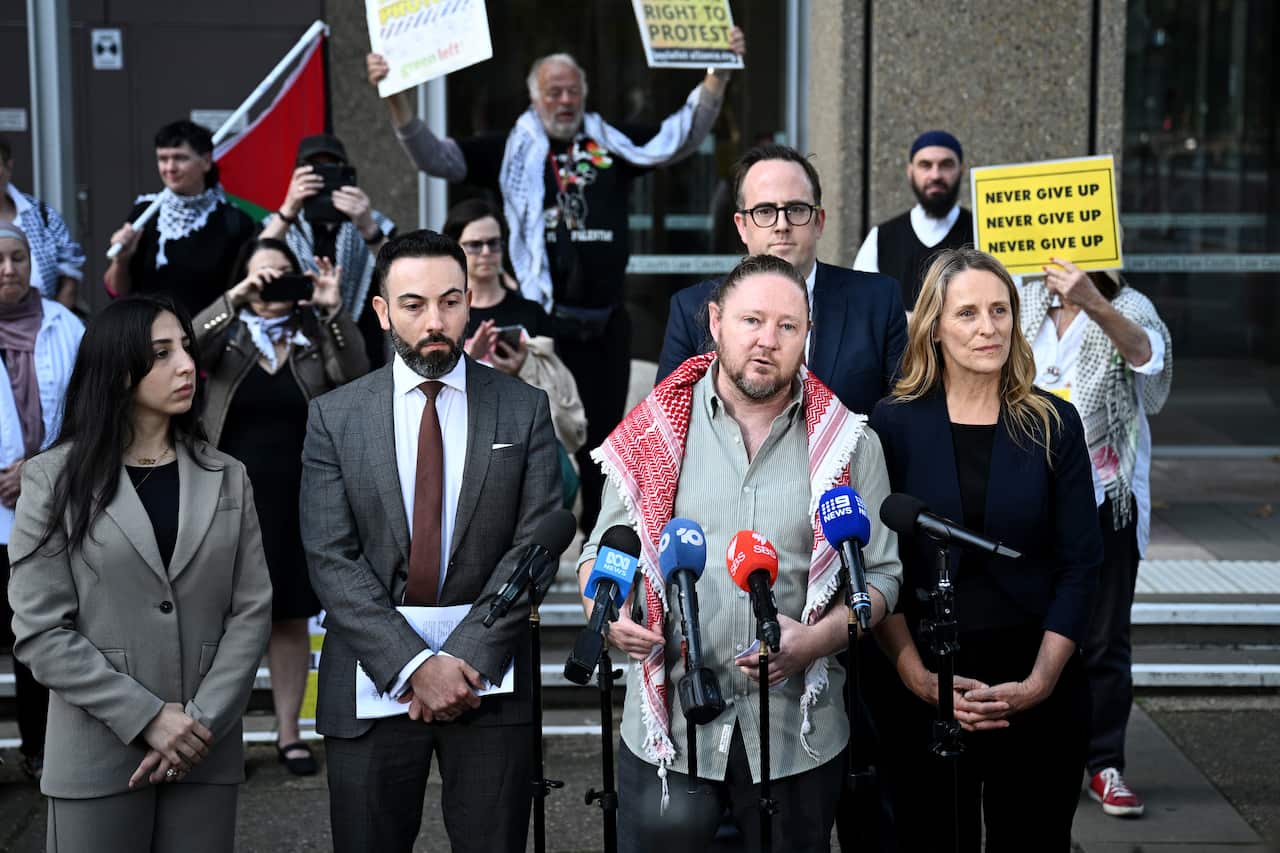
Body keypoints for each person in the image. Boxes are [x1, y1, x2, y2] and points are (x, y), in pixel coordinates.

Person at [582, 254, 902, 850]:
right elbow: (603, 550)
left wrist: (817, 641)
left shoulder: (851, 446)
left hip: (795, 736)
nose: (767, 341)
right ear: (715, 321)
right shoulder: (651, 432)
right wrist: (610, 615)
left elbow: (881, 579)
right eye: (751, 320)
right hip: (670, 733)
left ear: (808, 335)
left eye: (788, 326)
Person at [367, 32, 744, 533]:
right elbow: (436, 159)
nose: (564, 102)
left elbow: (677, 138)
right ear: (534, 97)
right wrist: (395, 97)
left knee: (606, 447)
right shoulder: (510, 148)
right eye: (553, 93)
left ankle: (601, 560)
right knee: (537, 444)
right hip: (543, 326)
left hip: (605, 324)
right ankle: (533, 553)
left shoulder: (611, 143)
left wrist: (716, 74)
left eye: (572, 92)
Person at [300, 229, 561, 852]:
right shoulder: (334, 417)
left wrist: (464, 656)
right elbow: (329, 557)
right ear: (383, 310)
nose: (434, 321)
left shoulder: (522, 408)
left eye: (450, 301)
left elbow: (538, 541)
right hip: (371, 675)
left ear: (470, 302)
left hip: (489, 678)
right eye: (413, 305)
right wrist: (416, 667)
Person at [6, 294, 272, 852]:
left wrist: (198, 723)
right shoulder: (53, 480)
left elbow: (251, 611)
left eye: (185, 349)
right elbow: (40, 631)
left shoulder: (228, 475)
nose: (185, 365)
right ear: (116, 371)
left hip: (206, 747)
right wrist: (148, 717)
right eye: (161, 353)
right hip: (96, 754)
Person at [868, 248, 1102, 852]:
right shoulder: (890, 425)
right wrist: (915, 675)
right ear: (935, 328)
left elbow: (1082, 564)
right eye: (967, 312)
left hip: (1037, 676)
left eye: (1000, 310)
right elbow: (878, 564)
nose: (988, 326)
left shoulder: (1055, 422)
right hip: (923, 676)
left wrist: (1041, 681)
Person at [193, 236, 369, 775]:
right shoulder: (226, 338)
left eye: (280, 276)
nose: (271, 287)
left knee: (290, 618)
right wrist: (235, 299)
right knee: (226, 623)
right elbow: (184, 347)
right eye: (260, 277)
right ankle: (222, 735)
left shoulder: (312, 338)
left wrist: (333, 308)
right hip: (228, 501)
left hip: (299, 501)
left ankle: (289, 734)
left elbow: (357, 377)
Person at [1021, 258, 1173, 818]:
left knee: (1104, 638)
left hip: (1110, 497)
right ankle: (1035, 754)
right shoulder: (1021, 301)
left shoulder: (1128, 307)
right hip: (1033, 497)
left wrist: (1093, 301)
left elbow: (1153, 373)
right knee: (1033, 629)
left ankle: (1104, 763)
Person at [657, 143, 907, 417]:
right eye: (765, 211)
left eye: (796, 209)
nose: (781, 224)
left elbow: (902, 419)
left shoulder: (877, 301)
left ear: (819, 221)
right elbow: (669, 426)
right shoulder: (693, 307)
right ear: (742, 226)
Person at [0, 224, 84, 780]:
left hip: (50, 503)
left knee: (37, 632)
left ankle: (40, 752)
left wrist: (37, 469)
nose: (9, 269)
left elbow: (91, 411)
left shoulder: (66, 325)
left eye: (19, 257)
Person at [442, 198, 586, 504]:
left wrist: (522, 368)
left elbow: (555, 386)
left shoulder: (530, 312)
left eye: (494, 244)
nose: (486, 253)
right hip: (463, 454)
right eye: (474, 245)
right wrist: (470, 357)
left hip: (527, 449)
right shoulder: (446, 313)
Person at [260, 133, 394, 368]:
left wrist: (368, 227)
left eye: (331, 167)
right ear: (297, 174)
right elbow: (255, 264)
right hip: (297, 353)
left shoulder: (373, 222)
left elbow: (400, 273)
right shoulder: (280, 225)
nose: (322, 176)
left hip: (361, 348)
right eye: (313, 168)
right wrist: (289, 208)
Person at [104, 120, 257, 318]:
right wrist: (120, 261)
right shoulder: (144, 212)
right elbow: (117, 294)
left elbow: (244, 294)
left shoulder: (235, 221)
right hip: (149, 337)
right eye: (162, 159)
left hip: (208, 339)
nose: (170, 168)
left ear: (206, 161)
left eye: (180, 158)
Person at [854, 131, 973, 311]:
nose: (935, 175)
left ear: (961, 170)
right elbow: (862, 307)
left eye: (946, 165)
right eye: (925, 165)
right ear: (910, 172)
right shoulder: (882, 238)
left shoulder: (983, 231)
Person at [0, 137, 85, 309]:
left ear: (8, 167)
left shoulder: (41, 214)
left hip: (44, 326)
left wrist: (55, 323)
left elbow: (70, 273)